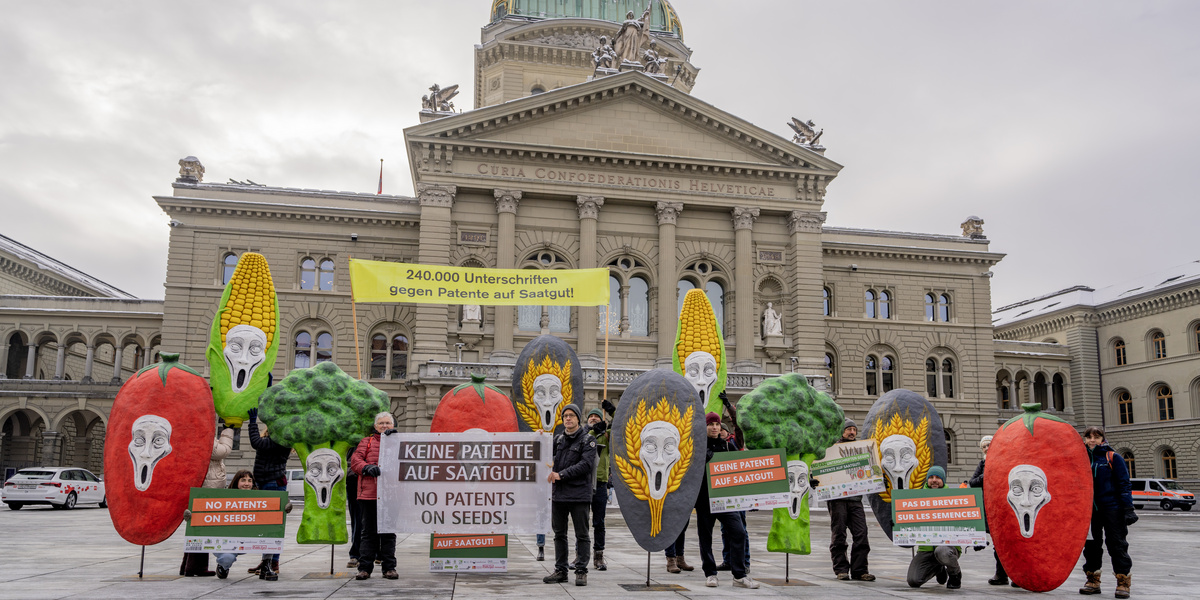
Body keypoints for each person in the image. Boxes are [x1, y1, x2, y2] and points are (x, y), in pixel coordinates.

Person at [695, 411, 759, 589]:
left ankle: (739, 575)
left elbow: (738, 471)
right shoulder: (697, 446)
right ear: (705, 426)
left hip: (725, 499)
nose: (715, 427)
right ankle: (710, 573)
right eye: (711, 424)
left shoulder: (727, 446)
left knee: (738, 532)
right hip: (704, 499)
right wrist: (701, 459)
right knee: (705, 537)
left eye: (717, 424)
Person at [542, 403, 597, 587]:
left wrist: (561, 475)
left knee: (582, 534)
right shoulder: (558, 440)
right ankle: (561, 570)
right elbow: (543, 456)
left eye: (571, 415)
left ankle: (581, 570)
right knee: (559, 534)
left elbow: (586, 465)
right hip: (559, 495)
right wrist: (540, 439)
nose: (568, 418)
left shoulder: (588, 440)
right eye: (565, 415)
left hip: (579, 495)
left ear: (578, 418)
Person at [1080, 426, 1136, 598]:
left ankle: (1123, 582)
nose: (1092, 440)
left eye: (1096, 437)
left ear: (1102, 439)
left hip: (1112, 509)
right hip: (1089, 511)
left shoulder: (1113, 457)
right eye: (1089, 437)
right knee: (1091, 547)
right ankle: (1092, 581)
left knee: (1117, 545)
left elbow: (1124, 484)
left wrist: (1128, 509)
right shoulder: (1080, 460)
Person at [206, 470, 292, 579]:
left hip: (248, 540)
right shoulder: (224, 498)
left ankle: (267, 563)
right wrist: (191, 515)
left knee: (272, 529)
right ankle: (223, 567)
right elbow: (206, 513)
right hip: (228, 542)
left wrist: (285, 506)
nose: (247, 483)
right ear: (236, 482)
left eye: (249, 481)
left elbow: (277, 507)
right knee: (226, 558)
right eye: (243, 480)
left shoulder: (260, 498)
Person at [181, 424, 235, 577]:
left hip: (204, 484)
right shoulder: (202, 434)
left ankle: (188, 566)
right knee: (202, 527)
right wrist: (229, 430)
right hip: (207, 486)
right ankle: (196, 567)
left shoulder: (193, 432)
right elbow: (221, 451)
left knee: (197, 526)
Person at [824, 418, 874, 581]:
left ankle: (860, 570)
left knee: (861, 534)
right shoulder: (830, 449)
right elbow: (820, 469)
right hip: (837, 499)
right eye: (848, 429)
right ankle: (841, 569)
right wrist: (815, 480)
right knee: (839, 534)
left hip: (855, 500)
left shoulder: (862, 449)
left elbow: (870, 470)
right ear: (842, 432)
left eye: (854, 429)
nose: (852, 432)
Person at [351, 412, 399, 580]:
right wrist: (366, 468)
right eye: (381, 423)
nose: (384, 426)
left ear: (393, 425)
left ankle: (389, 568)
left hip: (390, 495)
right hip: (369, 495)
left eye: (387, 423)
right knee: (368, 533)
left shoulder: (398, 442)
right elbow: (355, 460)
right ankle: (364, 568)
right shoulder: (367, 441)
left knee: (388, 533)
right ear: (375, 426)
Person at [247, 409, 291, 580]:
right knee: (266, 526)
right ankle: (267, 560)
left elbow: (255, 442)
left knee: (273, 526)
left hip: (273, 484)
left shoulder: (280, 441)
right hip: (267, 483)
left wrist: (252, 422)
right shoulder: (275, 439)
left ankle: (273, 562)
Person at [906, 467, 962, 589]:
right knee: (913, 580)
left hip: (947, 547)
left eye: (938, 477)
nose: (934, 480)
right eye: (931, 477)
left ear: (943, 480)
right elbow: (909, 519)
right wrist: (898, 524)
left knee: (942, 551)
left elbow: (967, 519)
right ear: (927, 480)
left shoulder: (954, 498)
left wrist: (977, 536)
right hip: (926, 548)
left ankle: (955, 574)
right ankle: (938, 568)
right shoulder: (918, 498)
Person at [968, 434, 1013, 586]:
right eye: (984, 446)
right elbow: (973, 482)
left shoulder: (1004, 462)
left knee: (1010, 543)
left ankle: (1016, 575)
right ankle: (1001, 575)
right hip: (990, 508)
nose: (987, 448)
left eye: (989, 445)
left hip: (1005, 507)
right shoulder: (982, 464)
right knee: (998, 544)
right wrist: (985, 476)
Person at [587, 406, 611, 571]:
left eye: (597, 416)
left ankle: (599, 556)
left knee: (599, 522)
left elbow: (621, 427)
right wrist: (594, 432)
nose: (594, 418)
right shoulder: (584, 435)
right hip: (584, 484)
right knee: (581, 523)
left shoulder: (607, 436)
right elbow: (588, 442)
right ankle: (580, 555)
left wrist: (611, 413)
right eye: (591, 417)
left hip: (600, 483)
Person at [345, 445, 362, 569]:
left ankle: (379, 553)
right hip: (355, 480)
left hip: (376, 481)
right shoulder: (354, 440)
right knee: (357, 519)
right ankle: (356, 553)